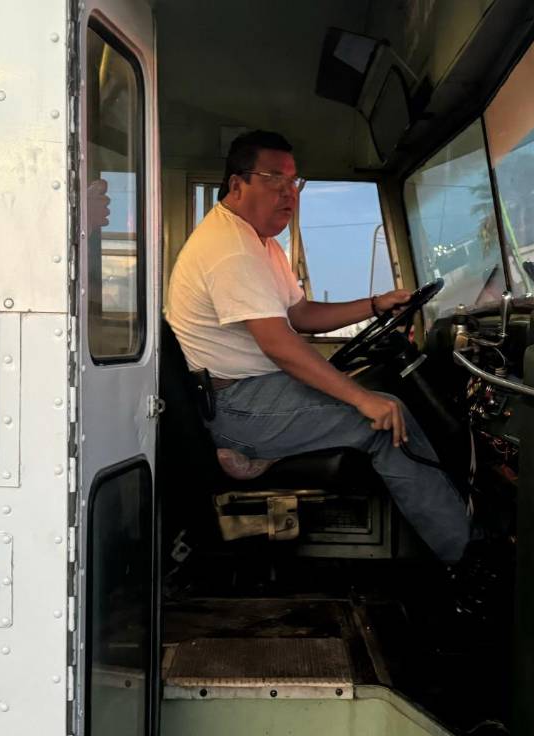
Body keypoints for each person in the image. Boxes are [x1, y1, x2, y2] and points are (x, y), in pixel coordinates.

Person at [166, 130, 471, 562]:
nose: (288, 193)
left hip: (249, 393)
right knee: (387, 422)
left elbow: (300, 314)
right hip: (237, 405)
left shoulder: (260, 243)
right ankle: (465, 557)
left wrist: (375, 304)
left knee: (377, 399)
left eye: (293, 182)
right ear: (237, 185)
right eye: (274, 179)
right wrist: (362, 400)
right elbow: (280, 345)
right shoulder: (230, 249)